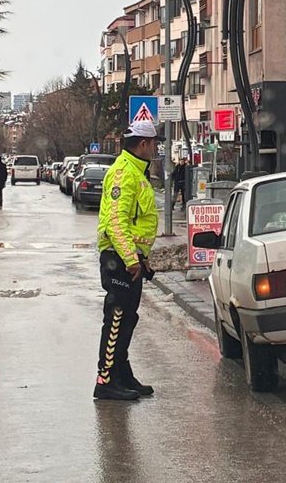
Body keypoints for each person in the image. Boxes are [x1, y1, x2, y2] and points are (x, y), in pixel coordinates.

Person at [93, 121, 163, 401]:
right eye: (154, 144)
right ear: (143, 144)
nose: (155, 149)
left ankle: (122, 374)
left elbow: (136, 222)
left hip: (130, 259)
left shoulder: (136, 171)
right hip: (119, 260)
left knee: (127, 319)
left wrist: (141, 259)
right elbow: (116, 222)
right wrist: (131, 260)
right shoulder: (124, 173)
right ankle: (106, 379)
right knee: (117, 318)